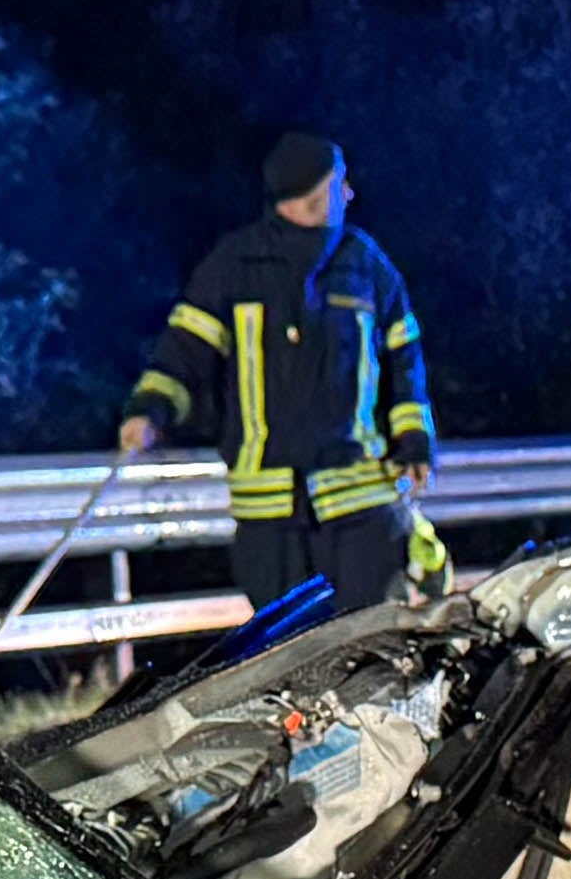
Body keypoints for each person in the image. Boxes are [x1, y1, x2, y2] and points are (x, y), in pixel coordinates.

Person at [116, 132, 439, 643]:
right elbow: (185, 350)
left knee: (370, 644)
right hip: (269, 513)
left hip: (359, 501)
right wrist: (149, 410)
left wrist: (415, 441)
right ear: (313, 194)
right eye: (339, 183)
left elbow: (406, 361)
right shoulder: (234, 266)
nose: (350, 193)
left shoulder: (365, 263)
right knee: (286, 654)